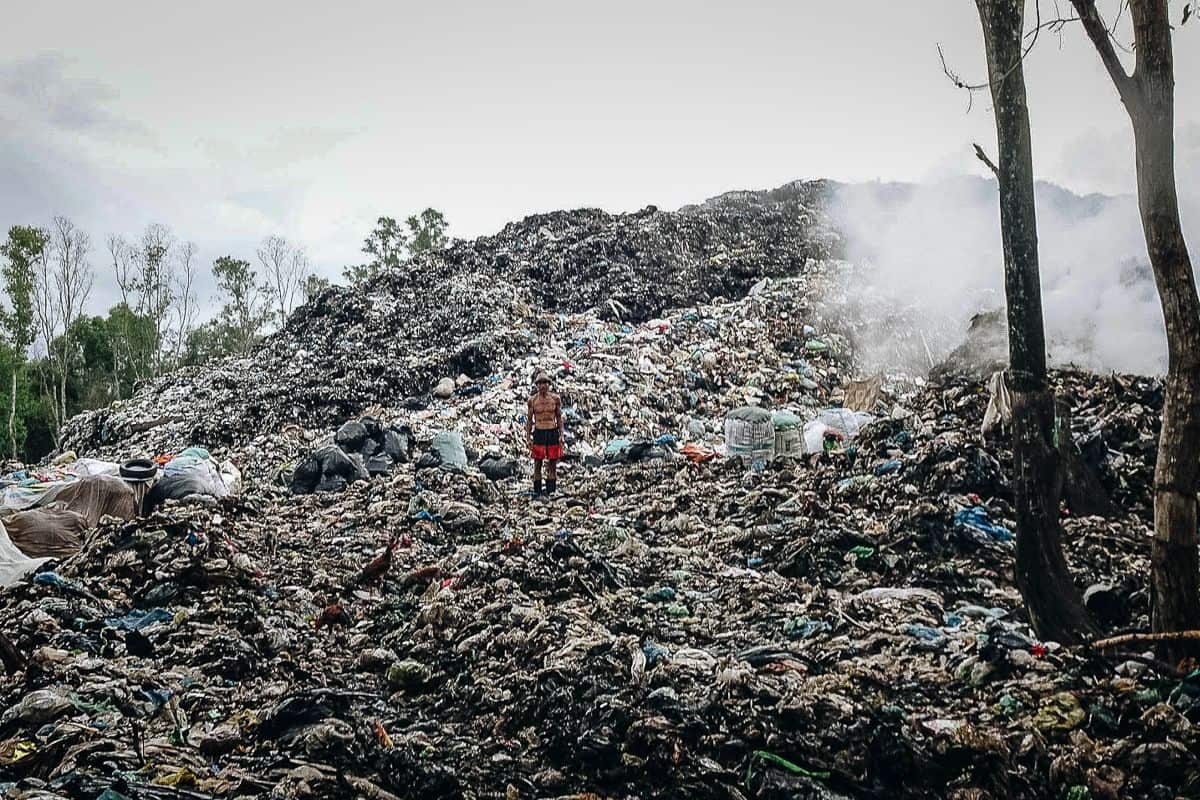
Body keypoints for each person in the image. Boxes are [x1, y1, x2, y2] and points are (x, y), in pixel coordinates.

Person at [525, 371, 564, 496]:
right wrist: (528, 437)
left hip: (552, 432)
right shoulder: (532, 400)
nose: (543, 386)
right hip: (539, 433)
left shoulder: (555, 399)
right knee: (537, 463)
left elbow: (559, 417)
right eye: (540, 383)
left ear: (549, 384)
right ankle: (537, 491)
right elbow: (529, 420)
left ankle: (551, 490)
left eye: (545, 383)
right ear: (537, 385)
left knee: (552, 463)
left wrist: (561, 435)